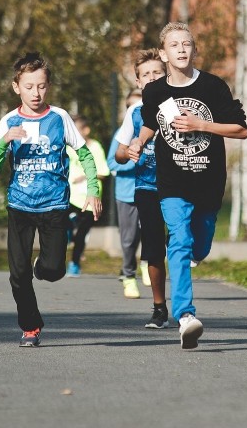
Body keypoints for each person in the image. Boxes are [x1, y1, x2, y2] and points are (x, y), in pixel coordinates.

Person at [127, 23, 247, 349]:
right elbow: (151, 123)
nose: (181, 49)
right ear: (164, 53)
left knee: (199, 246)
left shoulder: (212, 87)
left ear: (194, 50)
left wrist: (202, 125)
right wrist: (139, 142)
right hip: (172, 183)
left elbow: (241, 130)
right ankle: (185, 316)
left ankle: (196, 258)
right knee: (178, 241)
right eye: (174, 44)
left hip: (208, 182)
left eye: (187, 44)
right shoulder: (154, 92)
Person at [0, 52, 102, 347]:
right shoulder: (9, 121)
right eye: (28, 86)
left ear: (47, 86)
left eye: (41, 86)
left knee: (52, 271)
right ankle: (30, 327)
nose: (35, 93)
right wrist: (4, 142)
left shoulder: (60, 117)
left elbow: (85, 154)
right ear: (16, 87)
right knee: (18, 274)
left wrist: (93, 190)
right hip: (20, 205)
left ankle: (44, 266)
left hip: (54, 205)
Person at [114, 52, 170, 326]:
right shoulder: (134, 113)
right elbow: (119, 154)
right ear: (138, 81)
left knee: (182, 243)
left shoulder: (177, 106)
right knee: (154, 249)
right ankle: (160, 308)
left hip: (178, 184)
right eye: (145, 74)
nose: (151, 78)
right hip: (146, 186)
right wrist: (131, 152)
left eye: (156, 72)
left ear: (166, 74)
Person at [105, 90, 143, 298]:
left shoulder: (156, 129)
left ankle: (147, 263)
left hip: (151, 190)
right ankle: (129, 275)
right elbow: (111, 163)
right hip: (127, 193)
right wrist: (134, 162)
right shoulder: (122, 134)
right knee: (129, 239)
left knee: (151, 232)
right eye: (132, 107)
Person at [66, 115, 110, 278]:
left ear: (86, 130)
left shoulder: (95, 147)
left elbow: (104, 173)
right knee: (64, 222)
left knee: (81, 235)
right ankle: (70, 227)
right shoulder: (69, 148)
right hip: (71, 196)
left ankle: (75, 263)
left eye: (77, 130)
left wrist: (85, 176)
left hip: (90, 199)